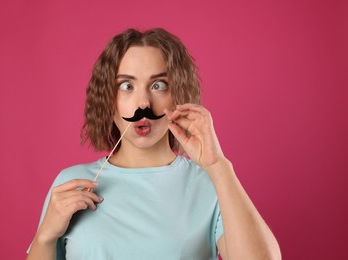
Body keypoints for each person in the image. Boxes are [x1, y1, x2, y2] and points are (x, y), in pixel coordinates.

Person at [27, 28, 281, 260]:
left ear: (178, 94)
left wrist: (218, 167)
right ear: (108, 99)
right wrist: (46, 236)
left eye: (158, 85)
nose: (143, 104)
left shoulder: (210, 185)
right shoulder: (71, 185)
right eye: (126, 86)